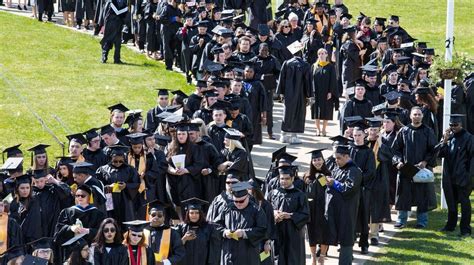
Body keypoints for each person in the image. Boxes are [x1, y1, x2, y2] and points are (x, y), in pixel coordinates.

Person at [392, 106, 437, 229]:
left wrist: (425, 161)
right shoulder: (404, 131)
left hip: (421, 168)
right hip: (406, 168)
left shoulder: (428, 131)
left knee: (422, 195)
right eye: (414, 114)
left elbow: (433, 150)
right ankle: (401, 220)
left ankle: (422, 221)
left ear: (422, 116)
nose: (417, 116)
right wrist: (398, 162)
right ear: (410, 116)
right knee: (403, 194)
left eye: (419, 114)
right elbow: (396, 150)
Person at [436, 114, 474, 237]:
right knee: (451, 203)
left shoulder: (469, 138)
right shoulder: (449, 138)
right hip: (449, 175)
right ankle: (450, 225)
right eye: (451, 125)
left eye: (456, 125)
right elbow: (440, 154)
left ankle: (465, 229)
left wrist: (469, 175)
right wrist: (444, 140)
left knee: (464, 203)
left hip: (463, 176)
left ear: (461, 124)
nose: (453, 127)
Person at [213, 181, 267, 265]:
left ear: (248, 197)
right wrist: (224, 232)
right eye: (235, 201)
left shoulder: (257, 210)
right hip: (229, 253)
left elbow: (262, 230)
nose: (238, 204)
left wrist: (244, 233)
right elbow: (215, 226)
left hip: (248, 254)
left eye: (241, 201)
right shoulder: (227, 208)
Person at [326, 145, 362, 265]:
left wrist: (334, 183)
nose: (336, 161)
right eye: (335, 158)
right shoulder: (338, 168)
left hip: (347, 211)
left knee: (346, 239)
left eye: (339, 158)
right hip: (335, 210)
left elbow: (348, 188)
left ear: (347, 156)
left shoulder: (354, 171)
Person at [267, 165, 309, 265]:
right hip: (277, 232)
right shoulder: (273, 193)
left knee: (293, 259)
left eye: (287, 179)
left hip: (293, 234)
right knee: (278, 259)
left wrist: (290, 215)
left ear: (293, 178)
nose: (284, 181)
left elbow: (306, 215)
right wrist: (273, 213)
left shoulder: (300, 195)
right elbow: (265, 211)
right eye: (282, 178)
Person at [54, 185, 106, 263]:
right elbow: (57, 234)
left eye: (83, 195)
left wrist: (88, 231)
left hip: (90, 251)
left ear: (89, 197)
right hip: (71, 251)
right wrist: (70, 228)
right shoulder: (67, 212)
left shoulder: (98, 214)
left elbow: (103, 232)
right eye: (77, 195)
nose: (80, 197)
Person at [276, 42, 312, 144]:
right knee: (298, 114)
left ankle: (283, 135)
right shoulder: (305, 65)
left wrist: (281, 93)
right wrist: (309, 95)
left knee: (286, 113)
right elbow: (308, 82)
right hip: (300, 94)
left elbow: (281, 79)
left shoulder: (286, 63)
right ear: (301, 52)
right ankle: (293, 136)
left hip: (288, 93)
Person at [96, 146, 140, 227]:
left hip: (125, 201)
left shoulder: (130, 170)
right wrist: (108, 187)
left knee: (126, 222)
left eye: (121, 161)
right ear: (110, 159)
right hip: (109, 200)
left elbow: (136, 183)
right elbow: (98, 185)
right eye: (115, 161)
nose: (118, 163)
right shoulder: (103, 170)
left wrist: (126, 186)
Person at [165, 123, 204, 215]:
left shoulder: (195, 148)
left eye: (183, 134)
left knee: (189, 207)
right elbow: (166, 164)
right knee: (176, 206)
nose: (181, 136)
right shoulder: (170, 148)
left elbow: (199, 164)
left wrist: (186, 170)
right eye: (179, 134)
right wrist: (173, 171)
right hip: (174, 181)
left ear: (187, 134)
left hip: (189, 182)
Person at [349, 125, 376, 254]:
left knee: (364, 216)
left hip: (363, 188)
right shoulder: (348, 149)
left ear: (364, 135)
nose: (357, 138)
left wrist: (357, 181)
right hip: (349, 189)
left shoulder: (368, 151)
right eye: (355, 135)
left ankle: (364, 243)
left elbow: (370, 171)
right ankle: (349, 243)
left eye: (359, 135)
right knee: (349, 217)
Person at [303, 149, 331, 265]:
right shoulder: (307, 176)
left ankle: (322, 257)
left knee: (325, 233)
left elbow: (329, 189)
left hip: (324, 209)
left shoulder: (329, 174)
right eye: (314, 160)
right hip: (311, 209)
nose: (317, 162)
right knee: (311, 234)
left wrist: (321, 178)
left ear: (323, 160)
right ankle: (313, 258)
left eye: (319, 159)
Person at [31, 169, 72, 237]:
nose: (39, 184)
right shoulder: (31, 192)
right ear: (33, 180)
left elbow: (67, 192)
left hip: (52, 224)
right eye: (37, 182)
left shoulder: (52, 190)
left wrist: (54, 181)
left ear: (45, 179)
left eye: (41, 181)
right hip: (37, 227)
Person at [175, 197, 216, 265]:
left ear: (200, 214)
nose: (194, 215)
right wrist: (184, 239)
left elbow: (213, 250)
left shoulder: (208, 228)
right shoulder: (180, 228)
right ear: (188, 214)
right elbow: (173, 248)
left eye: (197, 213)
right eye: (191, 213)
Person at [143, 200, 185, 265]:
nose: (156, 217)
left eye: (159, 215)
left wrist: (164, 263)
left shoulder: (172, 233)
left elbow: (179, 253)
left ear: (164, 217)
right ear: (149, 216)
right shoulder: (142, 232)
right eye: (153, 215)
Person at [8, 174, 42, 244]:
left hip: (30, 239)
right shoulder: (13, 203)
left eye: (27, 188)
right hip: (16, 239)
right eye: (22, 188)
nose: (25, 191)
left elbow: (33, 223)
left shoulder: (34, 201)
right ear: (17, 189)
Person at [311, 48, 337, 137]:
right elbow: (311, 80)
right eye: (319, 54)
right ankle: (317, 129)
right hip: (316, 92)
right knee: (315, 111)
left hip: (326, 92)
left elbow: (333, 80)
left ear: (326, 55)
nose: (321, 55)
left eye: (323, 53)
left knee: (326, 111)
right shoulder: (314, 66)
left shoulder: (330, 67)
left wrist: (330, 91)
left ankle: (324, 129)